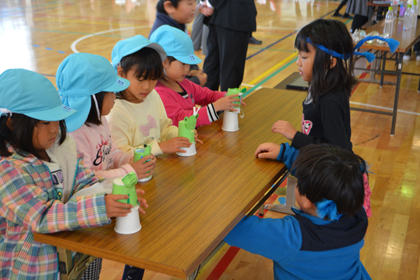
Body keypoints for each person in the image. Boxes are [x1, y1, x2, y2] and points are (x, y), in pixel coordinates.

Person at [0, 69, 148, 280]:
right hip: (34, 270)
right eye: (45, 122)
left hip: (77, 256)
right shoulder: (6, 169)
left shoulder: (60, 146)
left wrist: (112, 192)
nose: (54, 130)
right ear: (12, 122)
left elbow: (84, 179)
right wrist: (101, 207)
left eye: (57, 120)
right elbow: (41, 217)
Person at [254, 19, 371, 217]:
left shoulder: (330, 100)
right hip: (320, 171)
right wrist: (287, 150)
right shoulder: (322, 86)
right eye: (298, 55)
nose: (298, 62)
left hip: (331, 188)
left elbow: (338, 151)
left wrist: (295, 136)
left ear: (329, 62)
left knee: (322, 235)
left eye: (305, 56)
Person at [225, 144, 371, 280]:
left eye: (298, 180)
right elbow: (329, 177)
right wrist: (284, 153)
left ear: (307, 200)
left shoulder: (292, 239)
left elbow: (230, 229)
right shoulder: (357, 212)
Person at [57, 53, 156, 180]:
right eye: (111, 92)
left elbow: (111, 153)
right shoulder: (74, 134)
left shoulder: (100, 118)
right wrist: (130, 171)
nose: (115, 96)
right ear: (94, 98)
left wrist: (130, 160)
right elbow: (86, 178)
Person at [109, 35, 194, 157]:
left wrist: (179, 134)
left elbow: (164, 129)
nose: (147, 87)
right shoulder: (116, 111)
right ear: (121, 73)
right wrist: (160, 147)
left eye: (153, 79)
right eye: (141, 79)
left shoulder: (152, 95)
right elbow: (121, 155)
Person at [150, 25, 245, 127]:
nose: (187, 68)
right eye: (183, 63)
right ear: (164, 62)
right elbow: (182, 119)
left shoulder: (184, 84)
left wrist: (226, 97)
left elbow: (208, 95)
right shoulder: (160, 93)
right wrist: (216, 107)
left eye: (189, 63)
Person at [149, 0, 207, 87]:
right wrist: (196, 82)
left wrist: (192, 68)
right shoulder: (166, 35)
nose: (195, 7)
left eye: (195, 2)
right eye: (190, 3)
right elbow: (163, 82)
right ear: (169, 7)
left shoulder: (176, 25)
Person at [202, 0, 257, 91]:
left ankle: (208, 102)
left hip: (222, 12)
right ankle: (226, 103)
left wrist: (208, 3)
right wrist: (209, 3)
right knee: (229, 67)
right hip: (233, 14)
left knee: (213, 62)